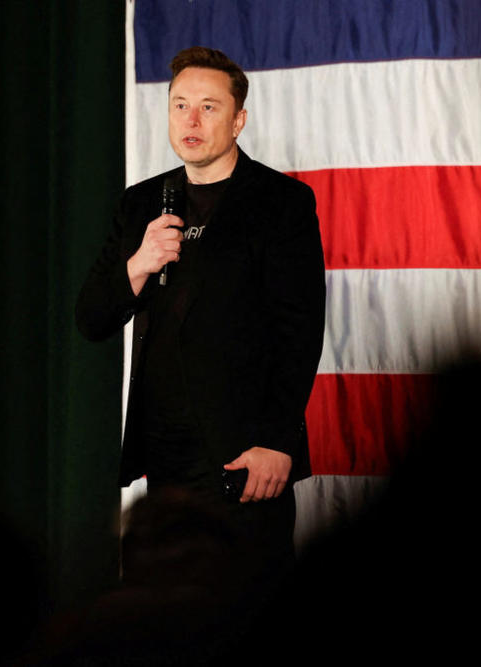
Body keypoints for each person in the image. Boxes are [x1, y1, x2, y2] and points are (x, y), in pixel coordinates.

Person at [76, 46, 325, 578]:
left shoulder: (282, 203)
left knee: (246, 608)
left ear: (239, 120)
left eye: (209, 107)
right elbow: (92, 318)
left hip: (244, 456)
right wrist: (138, 264)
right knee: (160, 618)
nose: (191, 119)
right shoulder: (141, 203)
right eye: (180, 104)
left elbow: (300, 331)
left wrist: (277, 441)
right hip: (164, 459)